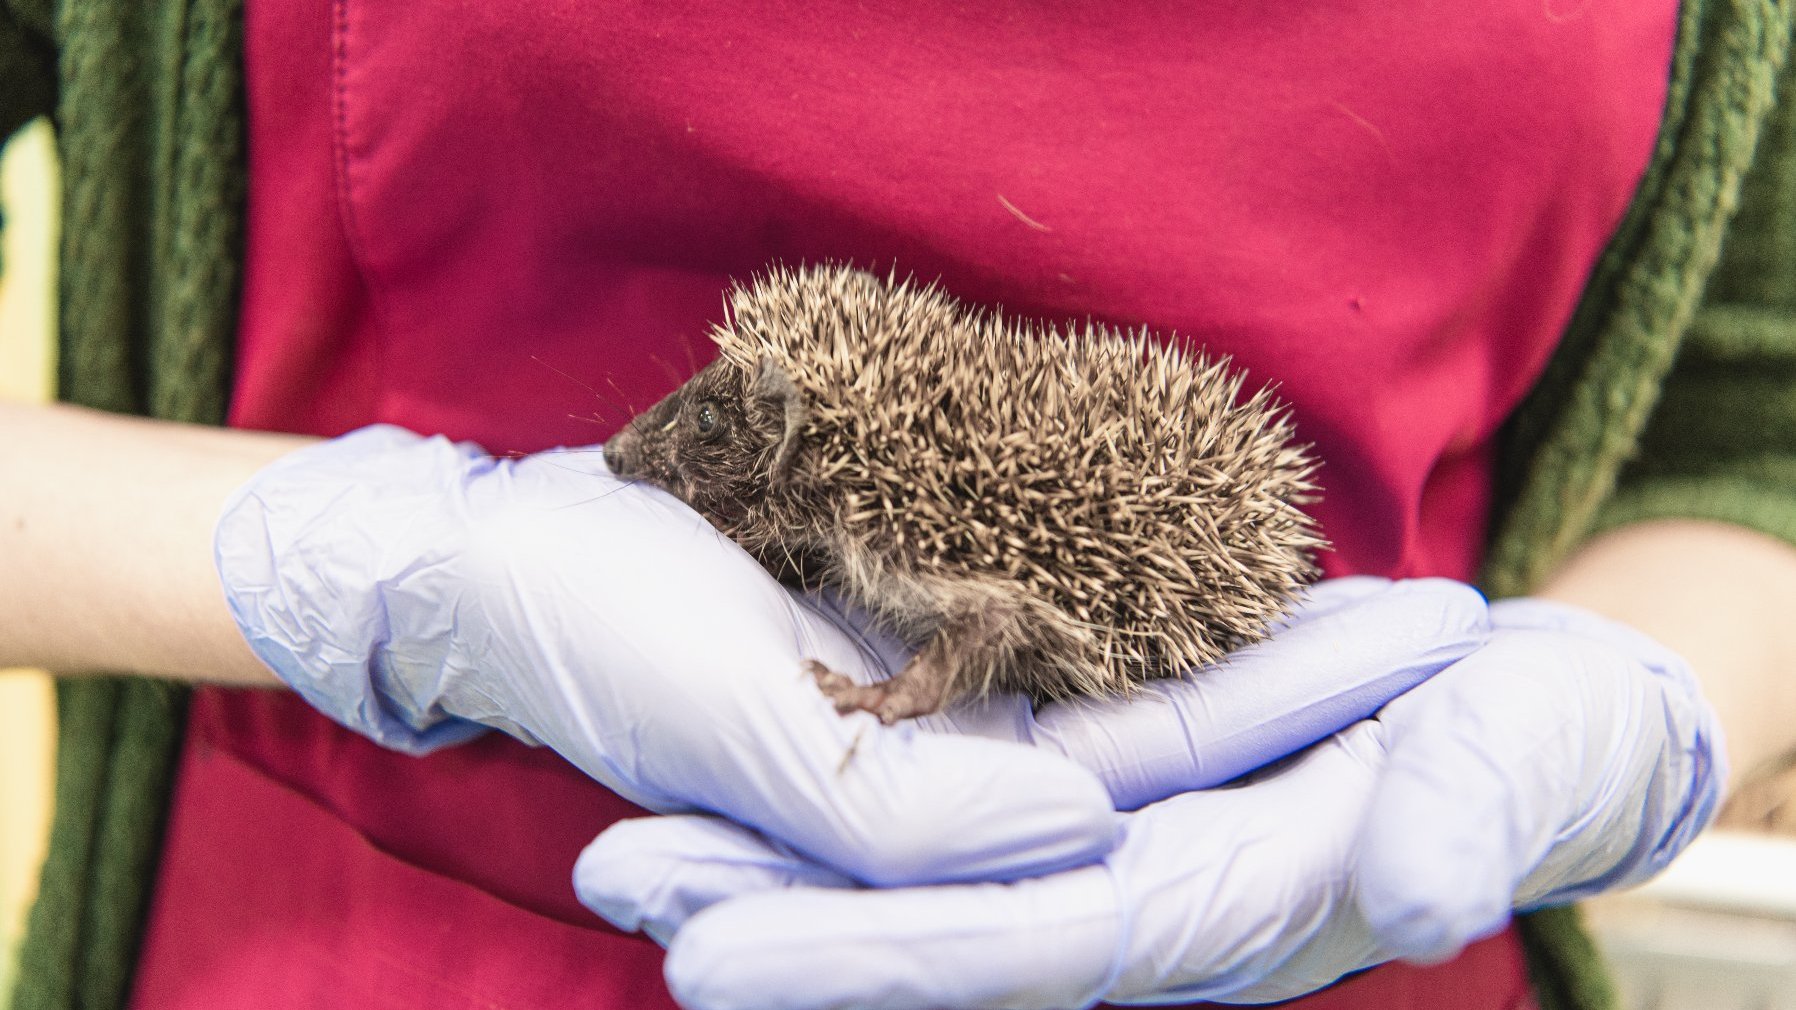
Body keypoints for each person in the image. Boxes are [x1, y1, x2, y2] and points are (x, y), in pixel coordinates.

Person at [3, 2, 1794, 1008]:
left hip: (1349, 905)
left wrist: (1635, 708)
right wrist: (364, 567)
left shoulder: (882, 507)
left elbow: (1757, 423)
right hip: (347, 943)